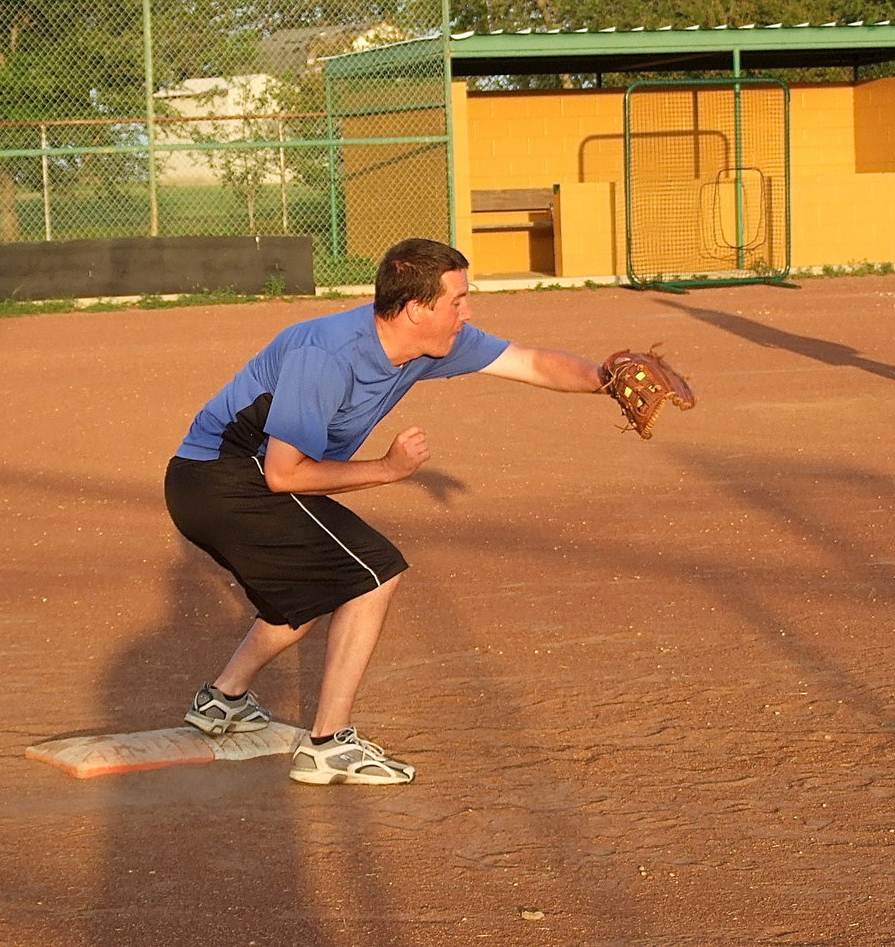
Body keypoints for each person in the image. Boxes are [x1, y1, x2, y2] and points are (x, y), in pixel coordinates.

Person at [165, 237, 609, 785]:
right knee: (371, 574)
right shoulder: (327, 354)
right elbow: (284, 474)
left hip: (235, 481)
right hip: (222, 480)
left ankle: (222, 702)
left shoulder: (431, 343)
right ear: (417, 309)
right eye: (458, 300)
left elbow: (531, 361)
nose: (466, 311)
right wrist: (389, 468)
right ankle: (327, 745)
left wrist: (606, 381)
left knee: (308, 590)